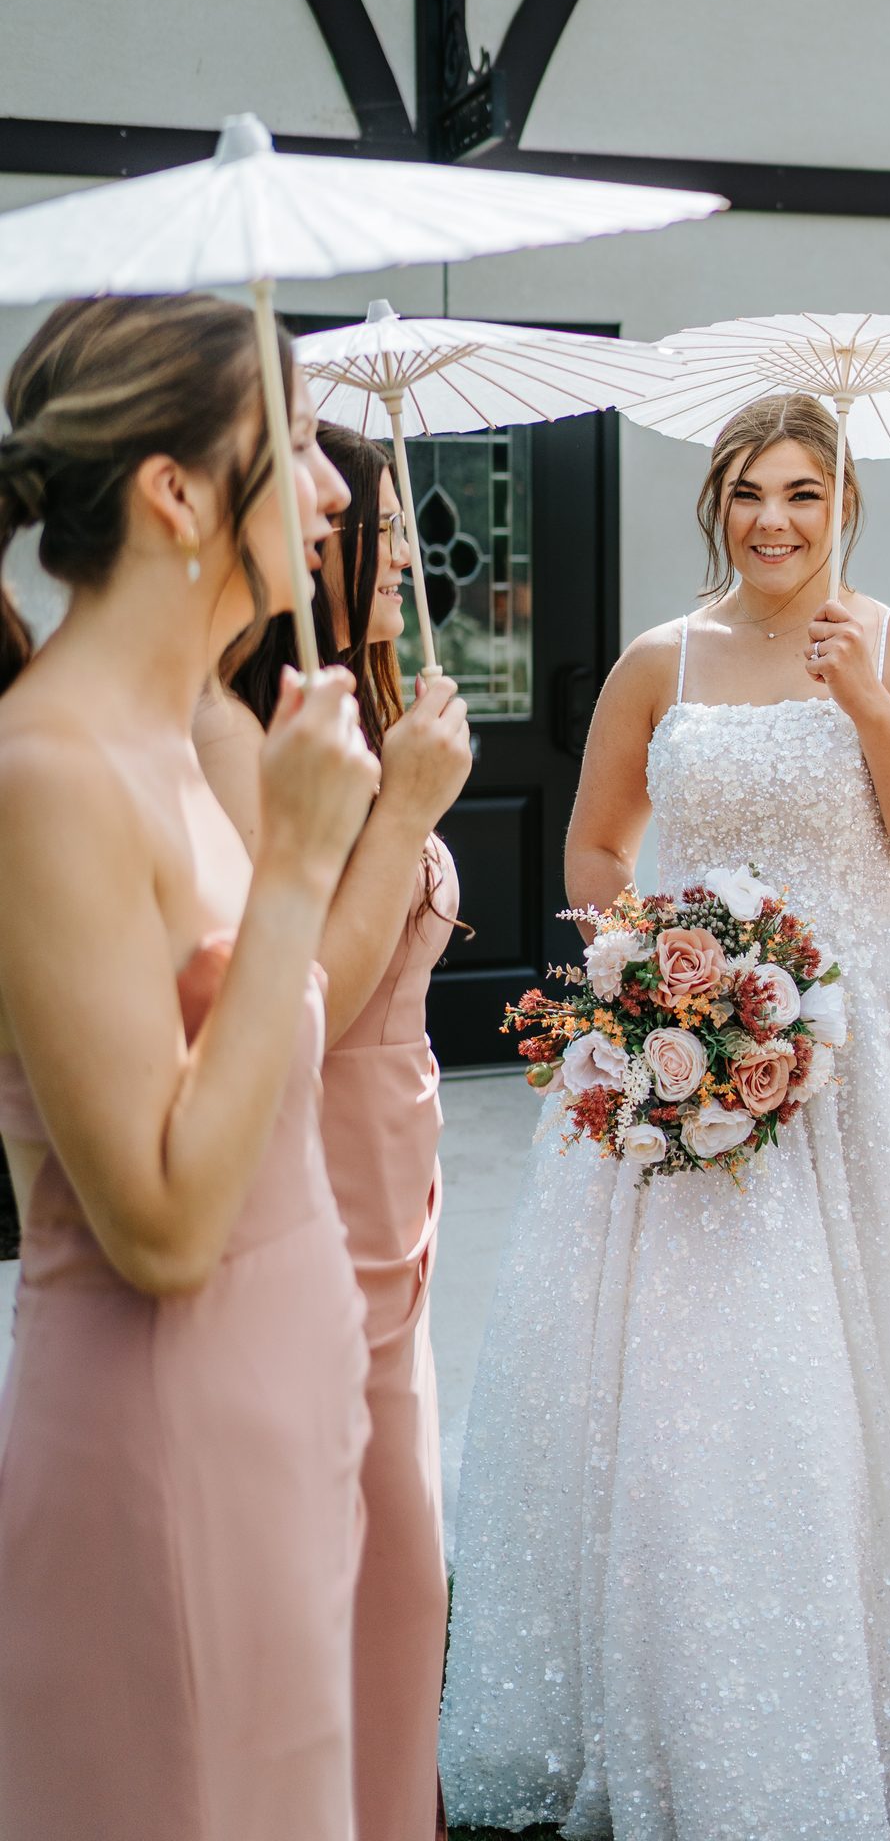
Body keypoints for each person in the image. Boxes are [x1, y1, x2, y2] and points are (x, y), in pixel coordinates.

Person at [439, 390, 890, 1841]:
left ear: (845, 501)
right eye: (748, 491)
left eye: (804, 492)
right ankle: (696, 1688)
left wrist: (865, 699)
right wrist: (649, 986)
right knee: (699, 1381)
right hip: (693, 1041)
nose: (774, 520)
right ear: (714, 505)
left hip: (878, 1058)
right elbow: (600, 839)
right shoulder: (657, 662)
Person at [0, 296, 379, 1841]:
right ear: (175, 494)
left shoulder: (183, 742)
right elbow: (159, 1225)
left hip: (278, 1401)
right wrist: (294, 867)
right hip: (163, 1431)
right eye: (289, 444)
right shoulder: (50, 775)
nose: (333, 486)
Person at [197, 423, 471, 1841]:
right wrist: (404, 815)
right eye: (385, 529)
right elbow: (318, 991)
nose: (405, 559)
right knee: (376, 1549)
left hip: (402, 1158)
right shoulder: (271, 740)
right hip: (326, 1159)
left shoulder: (363, 707)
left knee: (403, 1556)